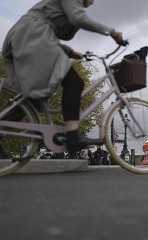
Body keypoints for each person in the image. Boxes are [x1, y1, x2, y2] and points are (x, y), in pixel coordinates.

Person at [2, 0, 125, 153]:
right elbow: (77, 18)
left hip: (28, 35)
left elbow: (48, 34)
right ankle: (72, 135)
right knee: (74, 82)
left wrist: (70, 52)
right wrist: (112, 32)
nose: (93, 2)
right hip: (31, 35)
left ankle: (3, 129)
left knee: (30, 101)